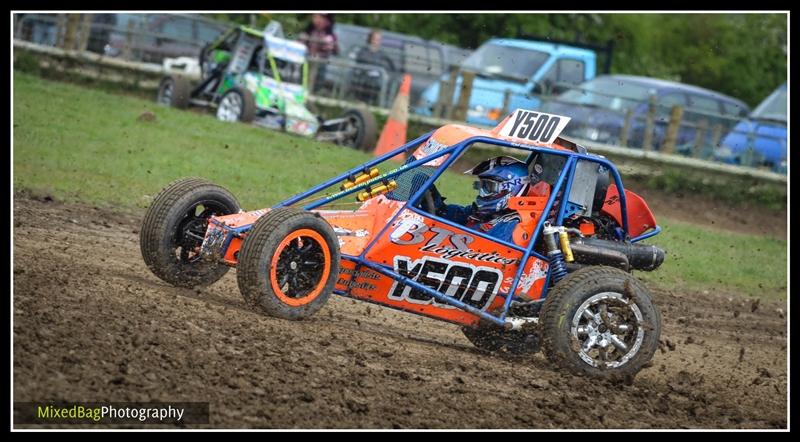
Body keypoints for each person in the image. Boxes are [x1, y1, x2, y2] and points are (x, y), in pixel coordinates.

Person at [432, 156, 548, 244]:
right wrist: (432, 197)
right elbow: (450, 213)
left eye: (488, 187)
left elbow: (480, 250)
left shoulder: (511, 224)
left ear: (511, 187)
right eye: (482, 186)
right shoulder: (488, 213)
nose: (482, 193)